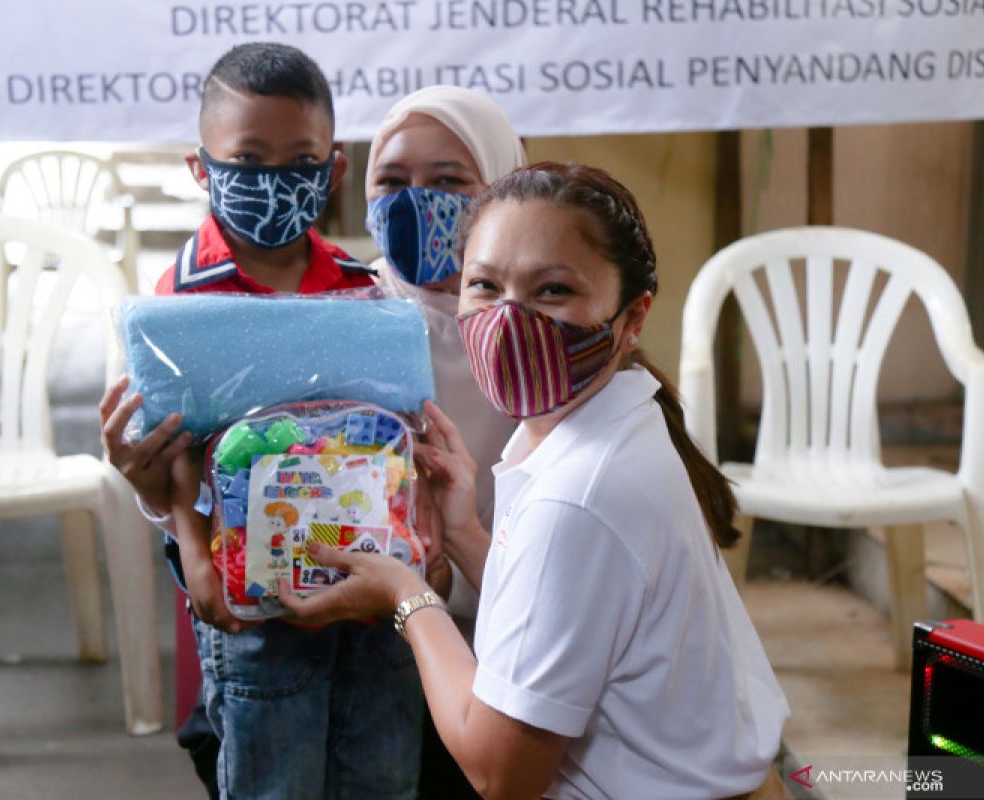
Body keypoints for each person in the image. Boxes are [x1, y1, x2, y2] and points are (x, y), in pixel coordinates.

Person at [281, 162, 790, 799]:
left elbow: (500, 774)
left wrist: (407, 598)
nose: (509, 320)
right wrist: (465, 529)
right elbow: (569, 618)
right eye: (485, 286)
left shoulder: (577, 496)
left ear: (632, 318)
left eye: (551, 291)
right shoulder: (611, 425)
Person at [100, 43, 425, 800]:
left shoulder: (364, 292)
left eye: (300, 159)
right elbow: (170, 448)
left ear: (334, 170)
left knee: (382, 774)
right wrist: (198, 554)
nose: (275, 181)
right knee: (271, 778)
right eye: (248, 158)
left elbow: (392, 438)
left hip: (367, 590)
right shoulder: (175, 304)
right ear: (200, 168)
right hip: (250, 611)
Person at [362, 84, 523, 799]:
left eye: (449, 182)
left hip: (516, 639)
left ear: (500, 191)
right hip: (373, 636)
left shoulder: (541, 341)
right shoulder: (349, 315)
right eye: (390, 181)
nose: (413, 203)